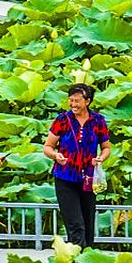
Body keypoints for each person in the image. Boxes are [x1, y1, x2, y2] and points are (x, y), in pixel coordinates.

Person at [43, 83, 111, 252]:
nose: (73, 104)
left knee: (88, 222)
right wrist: (55, 155)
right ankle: (78, 261)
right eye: (71, 100)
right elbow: (47, 146)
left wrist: (101, 158)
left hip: (88, 178)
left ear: (87, 101)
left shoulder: (98, 121)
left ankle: (84, 260)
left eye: (77, 101)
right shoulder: (62, 120)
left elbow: (106, 147)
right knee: (75, 223)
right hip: (65, 176)